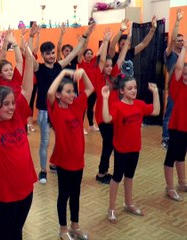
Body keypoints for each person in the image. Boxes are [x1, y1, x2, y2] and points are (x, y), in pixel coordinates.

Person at [0, 41, 36, 240]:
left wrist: (28, 60)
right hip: (3, 196)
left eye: (12, 103)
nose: (11, 108)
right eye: (6, 105)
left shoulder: (18, 117)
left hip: (25, 190)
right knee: (4, 235)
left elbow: (27, 90)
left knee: (17, 233)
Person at [33, 23, 95, 184]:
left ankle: (55, 163)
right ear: (43, 55)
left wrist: (86, 35)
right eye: (48, 54)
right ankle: (43, 170)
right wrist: (32, 37)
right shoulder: (38, 68)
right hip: (45, 110)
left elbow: (74, 51)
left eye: (53, 53)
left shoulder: (59, 66)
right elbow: (29, 56)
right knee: (45, 141)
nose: (52, 56)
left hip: (61, 109)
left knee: (61, 138)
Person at [103, 75, 160, 224]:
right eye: (130, 88)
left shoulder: (139, 104)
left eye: (135, 87)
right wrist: (104, 99)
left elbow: (156, 111)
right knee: (117, 178)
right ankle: (111, 208)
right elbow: (107, 118)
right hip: (121, 149)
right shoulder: (117, 106)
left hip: (135, 149)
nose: (134, 90)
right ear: (121, 91)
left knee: (129, 176)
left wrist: (155, 93)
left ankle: (128, 204)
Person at [47, 67, 94, 240]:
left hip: (78, 160)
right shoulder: (56, 110)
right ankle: (63, 229)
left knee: (76, 194)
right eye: (68, 92)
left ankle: (75, 226)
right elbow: (50, 92)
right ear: (60, 95)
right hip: (63, 161)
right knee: (64, 195)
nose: (73, 95)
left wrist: (84, 73)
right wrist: (64, 73)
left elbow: (89, 89)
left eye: (73, 91)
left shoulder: (77, 105)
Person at [93, 29, 130, 184]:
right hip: (103, 117)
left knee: (113, 144)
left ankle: (105, 171)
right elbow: (101, 61)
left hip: (114, 116)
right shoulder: (98, 78)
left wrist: (128, 41)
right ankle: (101, 173)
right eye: (106, 65)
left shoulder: (113, 77)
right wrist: (106, 40)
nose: (108, 67)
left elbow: (120, 58)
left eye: (110, 65)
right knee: (108, 144)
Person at [163, 42, 187, 201]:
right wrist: (184, 49)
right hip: (176, 128)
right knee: (171, 157)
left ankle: (182, 182)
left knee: (182, 155)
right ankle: (170, 188)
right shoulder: (176, 86)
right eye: (185, 74)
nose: (186, 76)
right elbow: (178, 68)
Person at [161, 9, 184, 150]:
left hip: (183, 89)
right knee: (169, 114)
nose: (181, 42)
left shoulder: (182, 54)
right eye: (179, 40)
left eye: (183, 41)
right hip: (173, 90)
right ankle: (165, 138)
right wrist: (178, 21)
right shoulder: (169, 54)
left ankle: (176, 135)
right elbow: (172, 40)